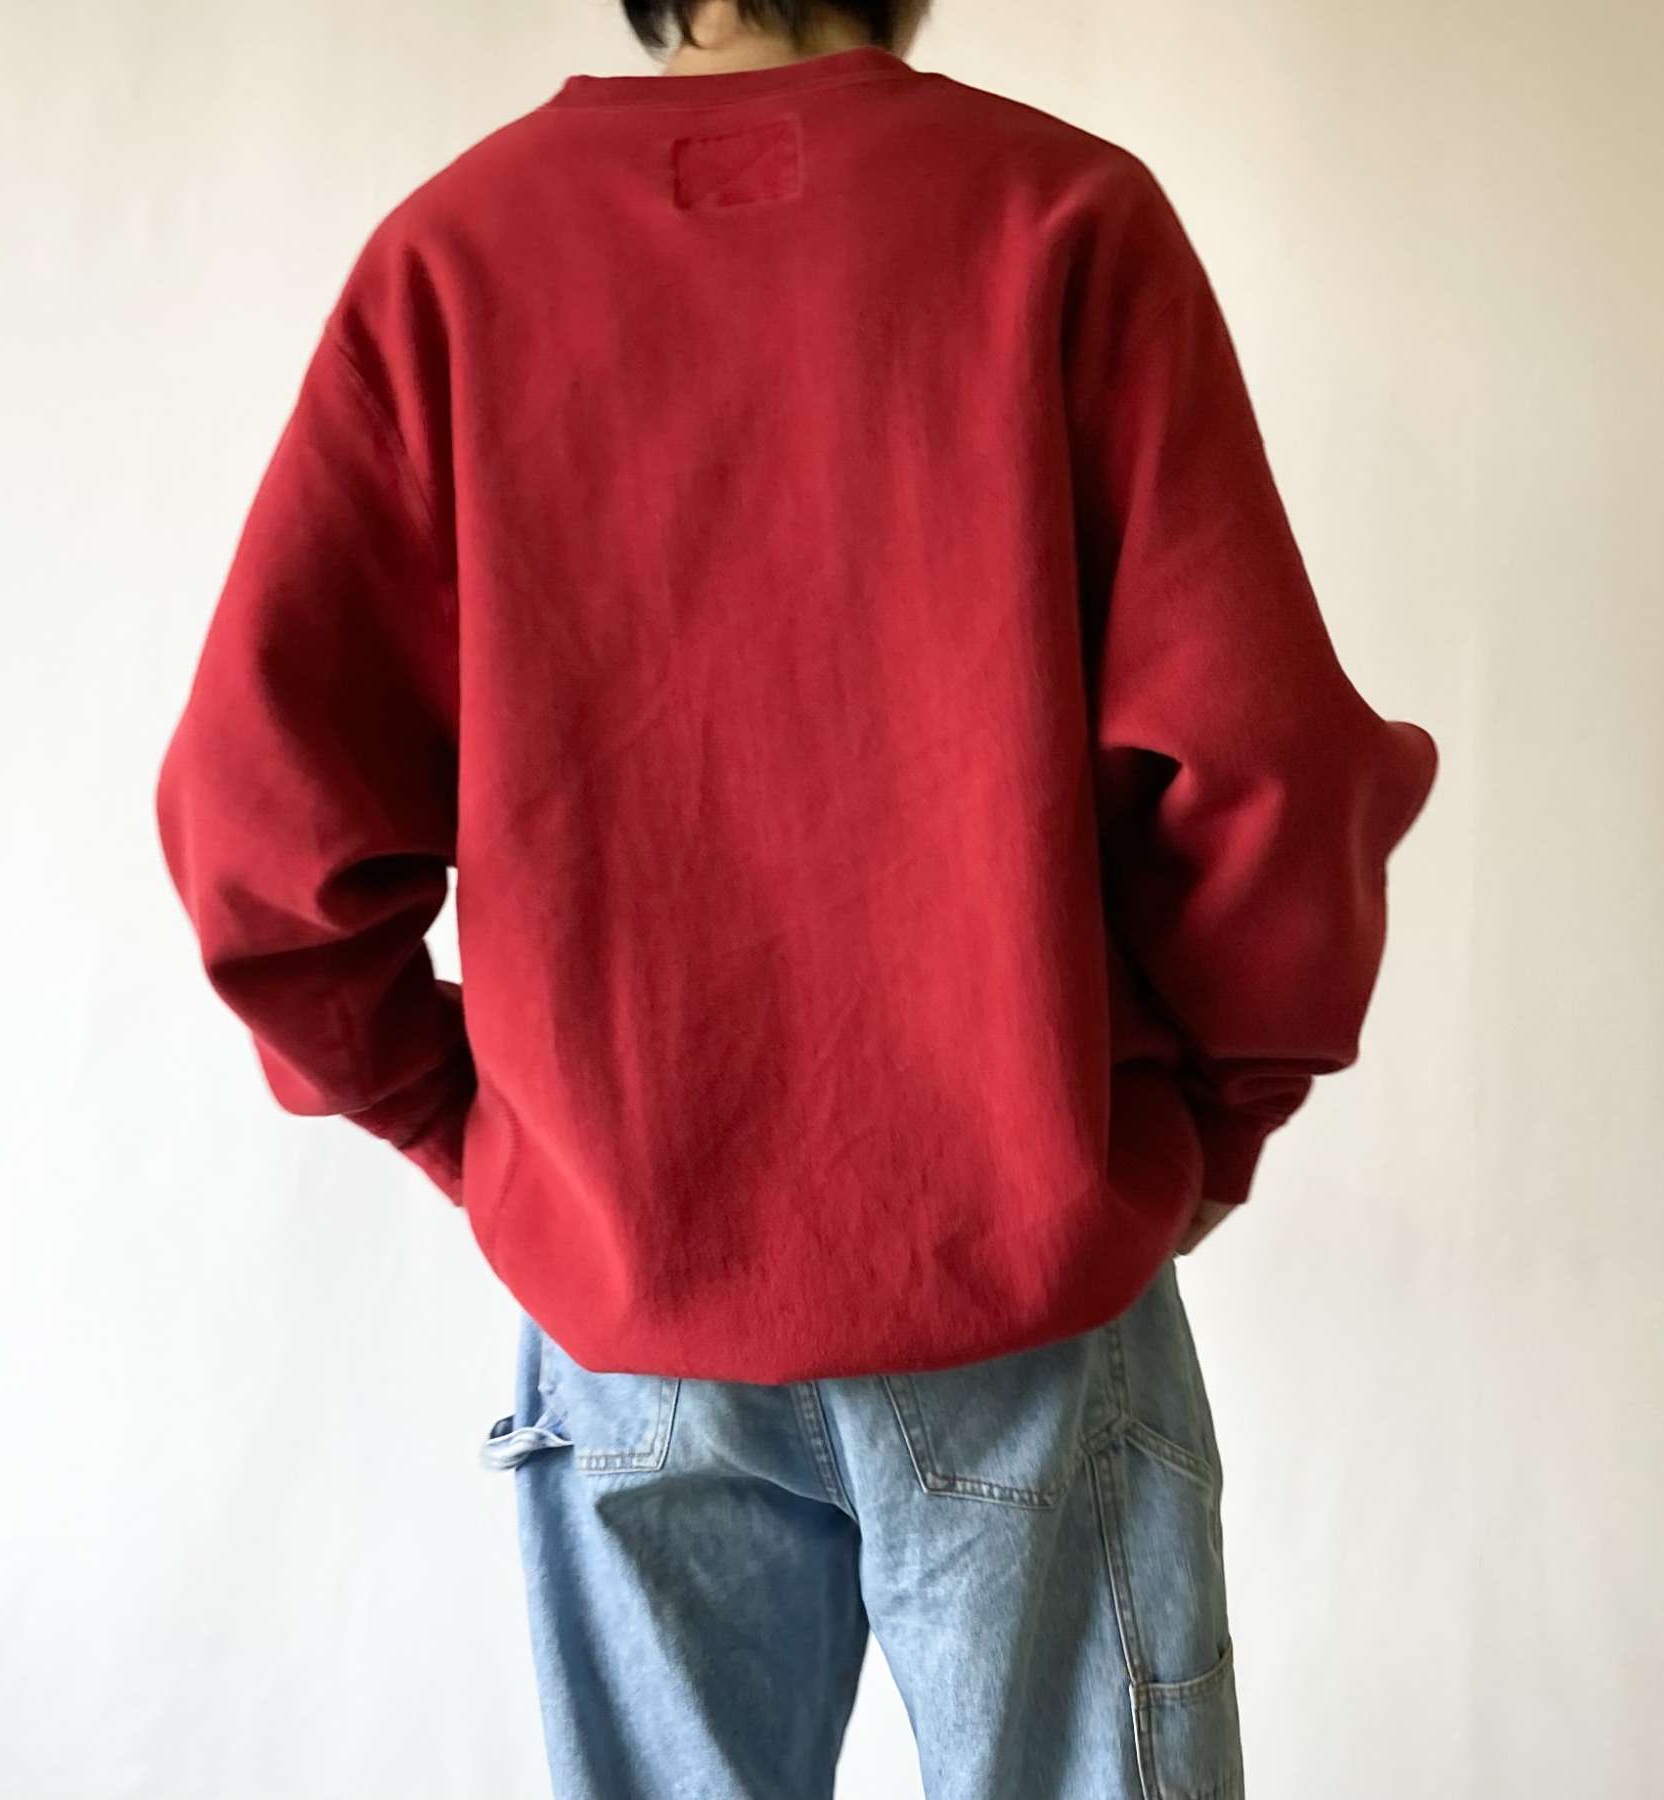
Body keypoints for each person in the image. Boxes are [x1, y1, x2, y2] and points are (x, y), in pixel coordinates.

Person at [154, 0, 1439, 1792]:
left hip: (629, 1318)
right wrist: (1215, 1116)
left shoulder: (456, 260)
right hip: (1025, 1284)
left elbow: (257, 831)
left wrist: (498, 1147)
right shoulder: (1059, 220)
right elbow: (1265, 766)